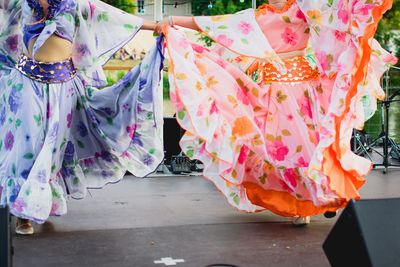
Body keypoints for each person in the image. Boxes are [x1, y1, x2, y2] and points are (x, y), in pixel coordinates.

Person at [156, 0, 397, 225]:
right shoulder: (256, 17)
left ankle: (321, 195)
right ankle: (299, 204)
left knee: (312, 147)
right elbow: (218, 24)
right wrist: (173, 20)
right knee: (279, 148)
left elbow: (334, 14)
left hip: (306, 93)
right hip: (273, 94)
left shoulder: (302, 9)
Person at [0, 0, 164, 234]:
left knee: (53, 149)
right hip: (25, 84)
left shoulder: (76, 4)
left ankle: (39, 200)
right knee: (27, 144)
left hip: (64, 87)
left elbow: (115, 17)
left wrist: (156, 26)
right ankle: (21, 213)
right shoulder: (22, 2)